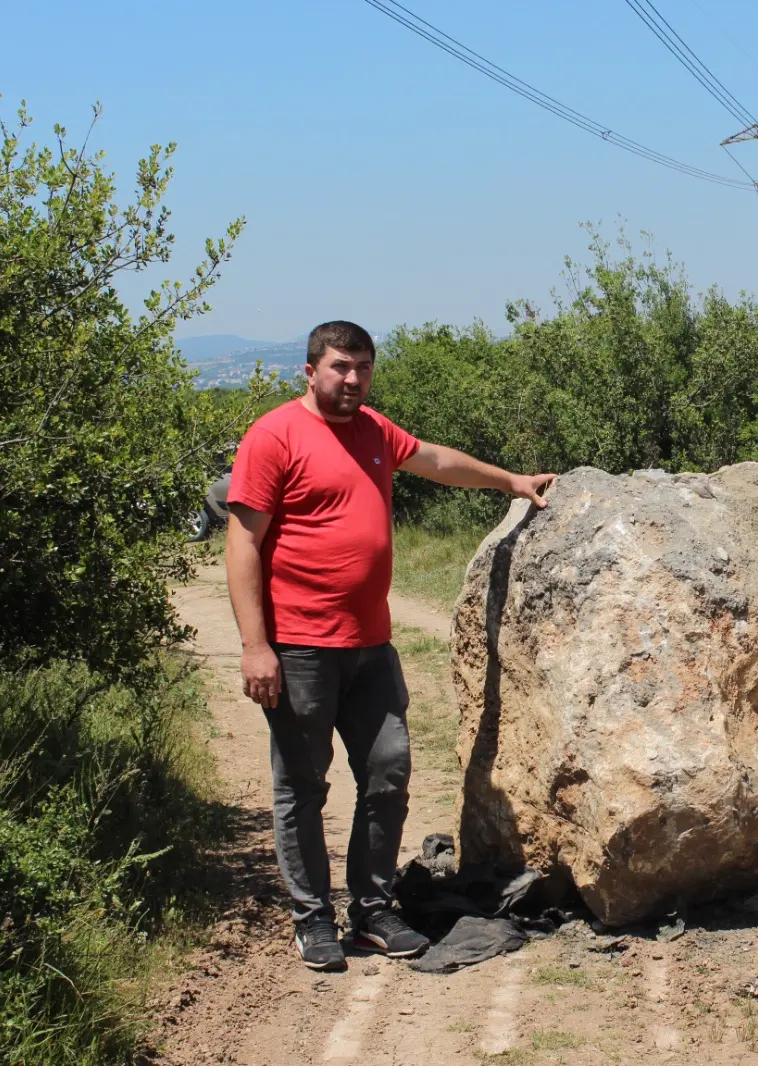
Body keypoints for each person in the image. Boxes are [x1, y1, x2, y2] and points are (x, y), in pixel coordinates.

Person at [225, 320, 555, 972]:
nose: (351, 379)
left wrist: (510, 481)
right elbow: (242, 544)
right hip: (299, 650)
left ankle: (372, 911)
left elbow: (435, 460)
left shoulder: (374, 430)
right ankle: (312, 921)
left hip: (370, 645)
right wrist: (255, 646)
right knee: (303, 787)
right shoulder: (274, 437)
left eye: (362, 368)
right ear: (310, 371)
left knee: (388, 773)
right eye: (339, 368)